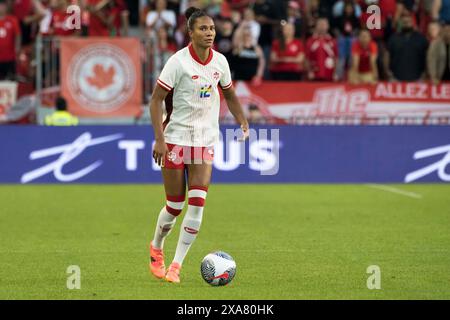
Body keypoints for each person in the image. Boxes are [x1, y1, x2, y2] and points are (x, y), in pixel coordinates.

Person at [148, 7, 249, 284]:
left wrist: (242, 120)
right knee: (174, 206)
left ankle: (176, 267)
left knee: (198, 204)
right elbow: (156, 100)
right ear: (190, 33)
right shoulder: (177, 63)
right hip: (175, 139)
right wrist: (159, 138)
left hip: (204, 141)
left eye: (212, 29)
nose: (209, 33)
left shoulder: (220, 62)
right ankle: (157, 247)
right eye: (203, 29)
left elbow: (229, 93)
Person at [385, 10, 428, 81]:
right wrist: (388, 72)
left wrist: (425, 73)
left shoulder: (421, 39)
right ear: (400, 24)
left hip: (418, 79)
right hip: (396, 79)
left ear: (413, 23)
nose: (406, 24)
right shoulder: (393, 38)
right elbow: (387, 55)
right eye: (404, 22)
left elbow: (427, 56)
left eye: (408, 22)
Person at [0, 0, 21, 81]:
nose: (1, 8)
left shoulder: (12, 20)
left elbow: (17, 36)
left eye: (2, 5)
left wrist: (17, 50)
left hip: (10, 57)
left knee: (10, 80)